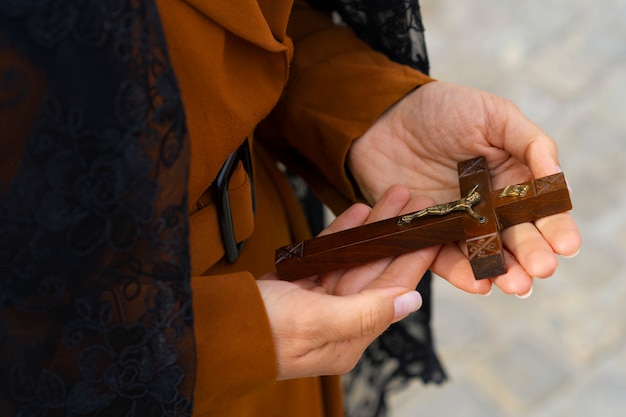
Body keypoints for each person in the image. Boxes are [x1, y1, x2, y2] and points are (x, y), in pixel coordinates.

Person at [0, 1, 581, 417]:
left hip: (275, 277)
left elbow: (219, 31)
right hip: (149, 365)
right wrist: (219, 340)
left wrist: (362, 109)